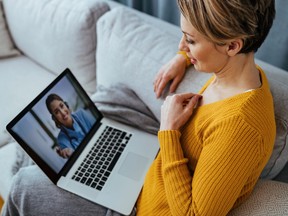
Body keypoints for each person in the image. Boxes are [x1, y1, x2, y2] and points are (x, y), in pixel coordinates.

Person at [2, 0, 276, 215]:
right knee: (114, 94)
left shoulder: (241, 127)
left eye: (190, 40)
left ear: (232, 45)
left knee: (22, 187)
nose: (183, 46)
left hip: (139, 207)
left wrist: (168, 131)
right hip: (151, 169)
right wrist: (184, 56)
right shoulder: (239, 70)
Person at [46, 93, 95, 158]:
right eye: (57, 112)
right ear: (55, 118)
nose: (63, 113)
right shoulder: (61, 139)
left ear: (66, 105)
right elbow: (76, 158)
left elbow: (98, 130)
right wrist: (69, 152)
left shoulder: (82, 114)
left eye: (62, 106)